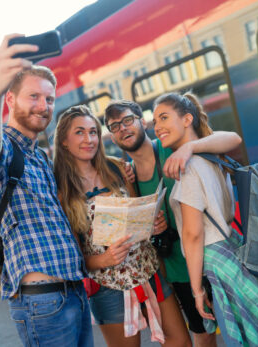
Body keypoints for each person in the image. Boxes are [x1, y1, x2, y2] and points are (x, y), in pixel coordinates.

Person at [0, 34, 92, 346]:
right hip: (43, 302)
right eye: (33, 97)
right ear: (11, 100)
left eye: (49, 99)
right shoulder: (6, 149)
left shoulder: (39, 157)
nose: (43, 106)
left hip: (74, 292)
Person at [104, 100, 242, 347]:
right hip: (175, 269)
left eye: (127, 120)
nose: (123, 129)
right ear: (111, 135)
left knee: (236, 331)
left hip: (209, 257)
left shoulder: (171, 146)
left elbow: (232, 139)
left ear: (142, 121)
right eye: (115, 126)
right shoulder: (125, 176)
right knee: (201, 330)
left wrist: (189, 148)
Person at [153, 92, 258, 347]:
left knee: (246, 339)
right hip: (232, 252)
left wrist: (197, 290)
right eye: (155, 120)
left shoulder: (189, 168)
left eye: (164, 117)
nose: (157, 126)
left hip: (216, 262)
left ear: (187, 119)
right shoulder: (214, 157)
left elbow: (193, 235)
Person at [53, 105, 190, 347]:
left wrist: (154, 224)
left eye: (93, 132)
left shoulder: (117, 167)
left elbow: (139, 212)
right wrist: (103, 259)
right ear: (64, 141)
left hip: (148, 270)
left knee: (180, 342)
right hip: (108, 287)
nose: (89, 139)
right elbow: (73, 257)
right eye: (80, 133)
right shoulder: (62, 191)